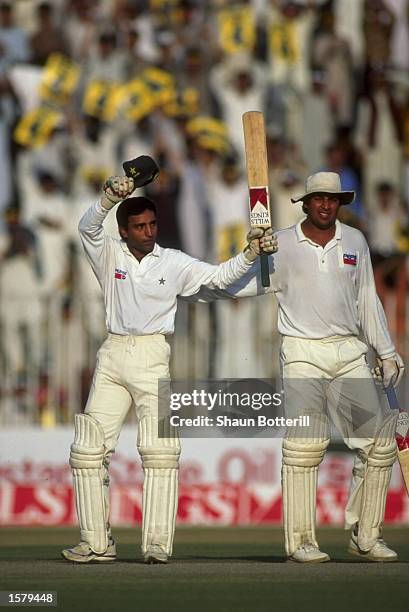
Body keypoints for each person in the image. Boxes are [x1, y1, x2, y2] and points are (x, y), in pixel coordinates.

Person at [61, 166, 277, 564]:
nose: (148, 231)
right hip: (112, 354)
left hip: (152, 356)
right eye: (139, 226)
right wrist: (110, 197)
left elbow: (219, 276)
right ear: (124, 230)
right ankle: (96, 543)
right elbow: (87, 227)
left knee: (160, 453)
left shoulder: (172, 262)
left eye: (152, 224)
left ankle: (157, 543)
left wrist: (249, 255)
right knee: (88, 450)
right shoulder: (109, 252)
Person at [216, 171, 404, 563]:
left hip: (349, 353)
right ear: (305, 202)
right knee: (304, 448)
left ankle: (365, 536)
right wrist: (253, 253)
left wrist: (386, 351)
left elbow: (367, 300)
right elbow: (239, 284)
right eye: (317, 199)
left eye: (331, 199)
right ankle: (301, 541)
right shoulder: (280, 243)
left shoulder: (355, 241)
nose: (324, 205)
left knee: (379, 446)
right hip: (302, 352)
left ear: (340, 203)